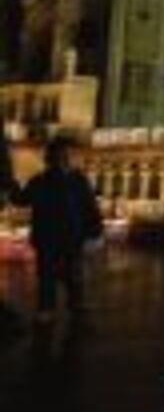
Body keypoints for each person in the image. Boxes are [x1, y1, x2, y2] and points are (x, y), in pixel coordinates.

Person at [10, 136, 102, 324]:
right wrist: (10, 183)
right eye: (59, 155)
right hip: (48, 237)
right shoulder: (41, 181)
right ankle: (47, 308)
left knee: (73, 274)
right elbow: (21, 199)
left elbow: (89, 206)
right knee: (47, 276)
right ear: (51, 158)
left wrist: (95, 229)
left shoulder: (77, 179)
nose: (63, 159)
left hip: (70, 236)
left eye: (65, 155)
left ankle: (74, 305)